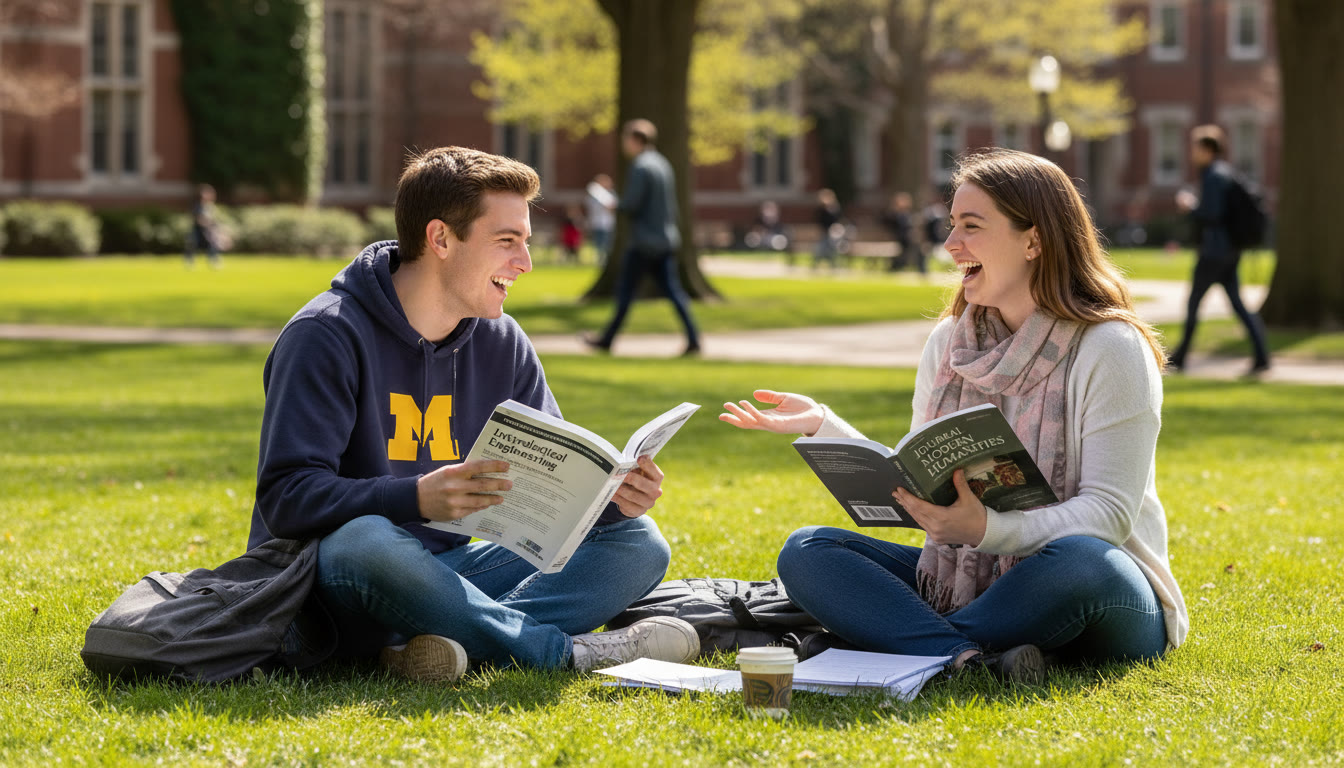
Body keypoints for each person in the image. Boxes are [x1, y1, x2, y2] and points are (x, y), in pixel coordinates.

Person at [721, 148, 1187, 685]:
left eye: (971, 226)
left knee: (1080, 561)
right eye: (950, 226)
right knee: (808, 550)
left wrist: (989, 529)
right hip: (966, 574)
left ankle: (894, 640)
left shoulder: (1110, 347)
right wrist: (822, 425)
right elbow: (916, 473)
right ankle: (966, 658)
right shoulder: (949, 343)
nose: (950, 244)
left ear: (1033, 240)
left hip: (1102, 589)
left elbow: (1109, 515)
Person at [247, 146, 698, 683]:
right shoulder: (326, 336)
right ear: (440, 239)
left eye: (526, 242)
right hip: (333, 585)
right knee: (366, 539)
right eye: (507, 242)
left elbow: (550, 490)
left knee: (638, 543)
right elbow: (286, 498)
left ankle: (436, 644)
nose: (525, 263)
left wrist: (612, 502)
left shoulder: (503, 342)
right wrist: (414, 496)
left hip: (451, 576)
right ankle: (561, 653)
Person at [586, 119, 701, 356]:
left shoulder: (640, 166)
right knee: (673, 292)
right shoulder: (662, 164)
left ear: (636, 140)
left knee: (626, 291)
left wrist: (613, 205)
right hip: (666, 239)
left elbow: (632, 204)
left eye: (626, 140)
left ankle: (607, 340)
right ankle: (693, 338)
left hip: (644, 242)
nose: (624, 145)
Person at [1167, 124, 1271, 375]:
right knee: (1237, 303)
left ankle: (1180, 357)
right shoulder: (1225, 173)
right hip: (1230, 250)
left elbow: (1211, 214)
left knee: (1194, 302)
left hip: (1214, 251)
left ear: (1207, 149)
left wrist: (1190, 207)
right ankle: (1261, 356)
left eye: (1195, 147)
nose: (1191, 152)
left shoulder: (1213, 176)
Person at [880, 191, 922, 273]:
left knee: (919, 248)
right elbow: (889, 225)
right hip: (899, 239)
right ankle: (899, 266)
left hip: (906, 240)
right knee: (911, 247)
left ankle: (918, 268)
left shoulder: (907, 214)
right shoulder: (893, 215)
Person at [184, 184, 222, 269]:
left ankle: (213, 261)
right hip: (198, 230)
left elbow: (214, 219)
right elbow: (197, 219)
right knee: (193, 245)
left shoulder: (211, 206)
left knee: (212, 245)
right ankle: (189, 262)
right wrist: (205, 222)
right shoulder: (198, 206)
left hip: (208, 231)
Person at [584, 173, 617, 266]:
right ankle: (601, 261)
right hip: (597, 223)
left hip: (609, 224)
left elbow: (613, 207)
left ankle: (607, 261)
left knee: (608, 244)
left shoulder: (611, 194)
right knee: (599, 244)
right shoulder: (593, 195)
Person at [812, 188, 844, 269]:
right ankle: (817, 264)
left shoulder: (834, 209)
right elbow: (819, 221)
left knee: (831, 246)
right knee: (821, 248)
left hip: (833, 234)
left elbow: (837, 220)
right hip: (824, 233)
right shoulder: (821, 210)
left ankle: (833, 264)